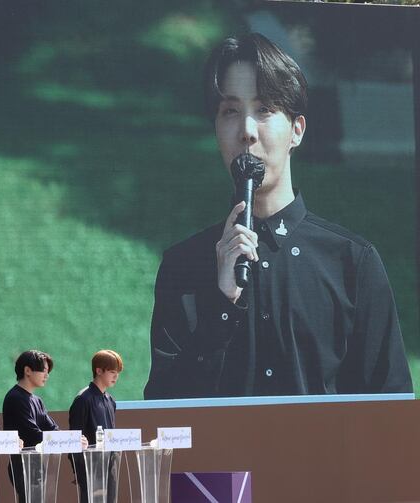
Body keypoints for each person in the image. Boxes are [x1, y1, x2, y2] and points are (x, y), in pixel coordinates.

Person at [144, 32, 412, 399]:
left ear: (296, 130)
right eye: (231, 111)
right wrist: (222, 304)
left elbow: (391, 413)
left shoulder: (352, 262)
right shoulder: (183, 267)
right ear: (216, 128)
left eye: (265, 109)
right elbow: (166, 418)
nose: (247, 132)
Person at [2, 350, 59, 502]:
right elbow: (31, 433)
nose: (47, 375)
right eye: (43, 371)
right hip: (23, 465)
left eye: (48, 372)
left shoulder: (37, 400)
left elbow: (52, 427)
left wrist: (68, 439)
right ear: (27, 371)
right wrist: (61, 439)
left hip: (38, 464)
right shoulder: (15, 397)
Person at [69, 350, 123, 503]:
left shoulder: (110, 400)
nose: (116, 376)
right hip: (90, 468)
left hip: (110, 465)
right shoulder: (83, 399)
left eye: (118, 372)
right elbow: (75, 437)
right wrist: (78, 470)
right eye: (112, 371)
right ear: (98, 370)